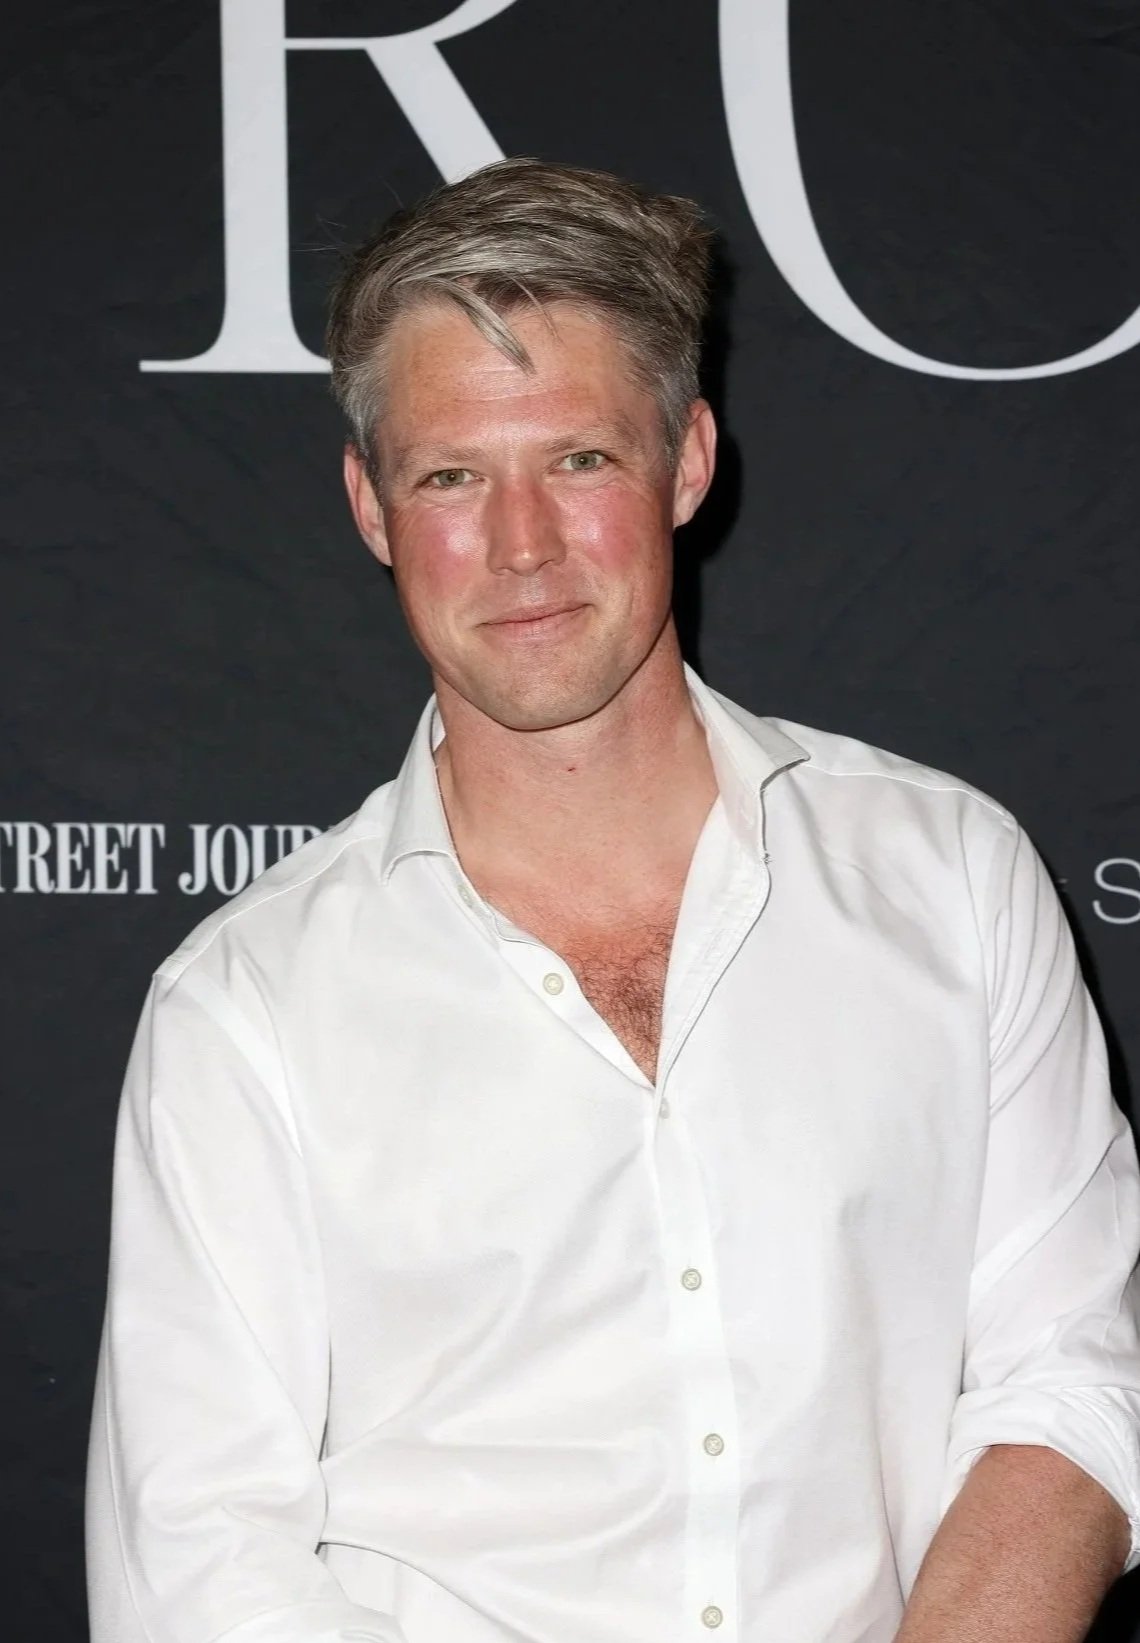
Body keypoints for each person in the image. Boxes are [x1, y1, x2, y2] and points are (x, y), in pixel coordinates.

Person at [85, 157, 1140, 1643]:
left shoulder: (951, 878)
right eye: (453, 475)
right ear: (371, 505)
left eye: (578, 459)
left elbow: (1071, 1378)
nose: (521, 546)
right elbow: (201, 1566)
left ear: (688, 461)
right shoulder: (244, 1006)